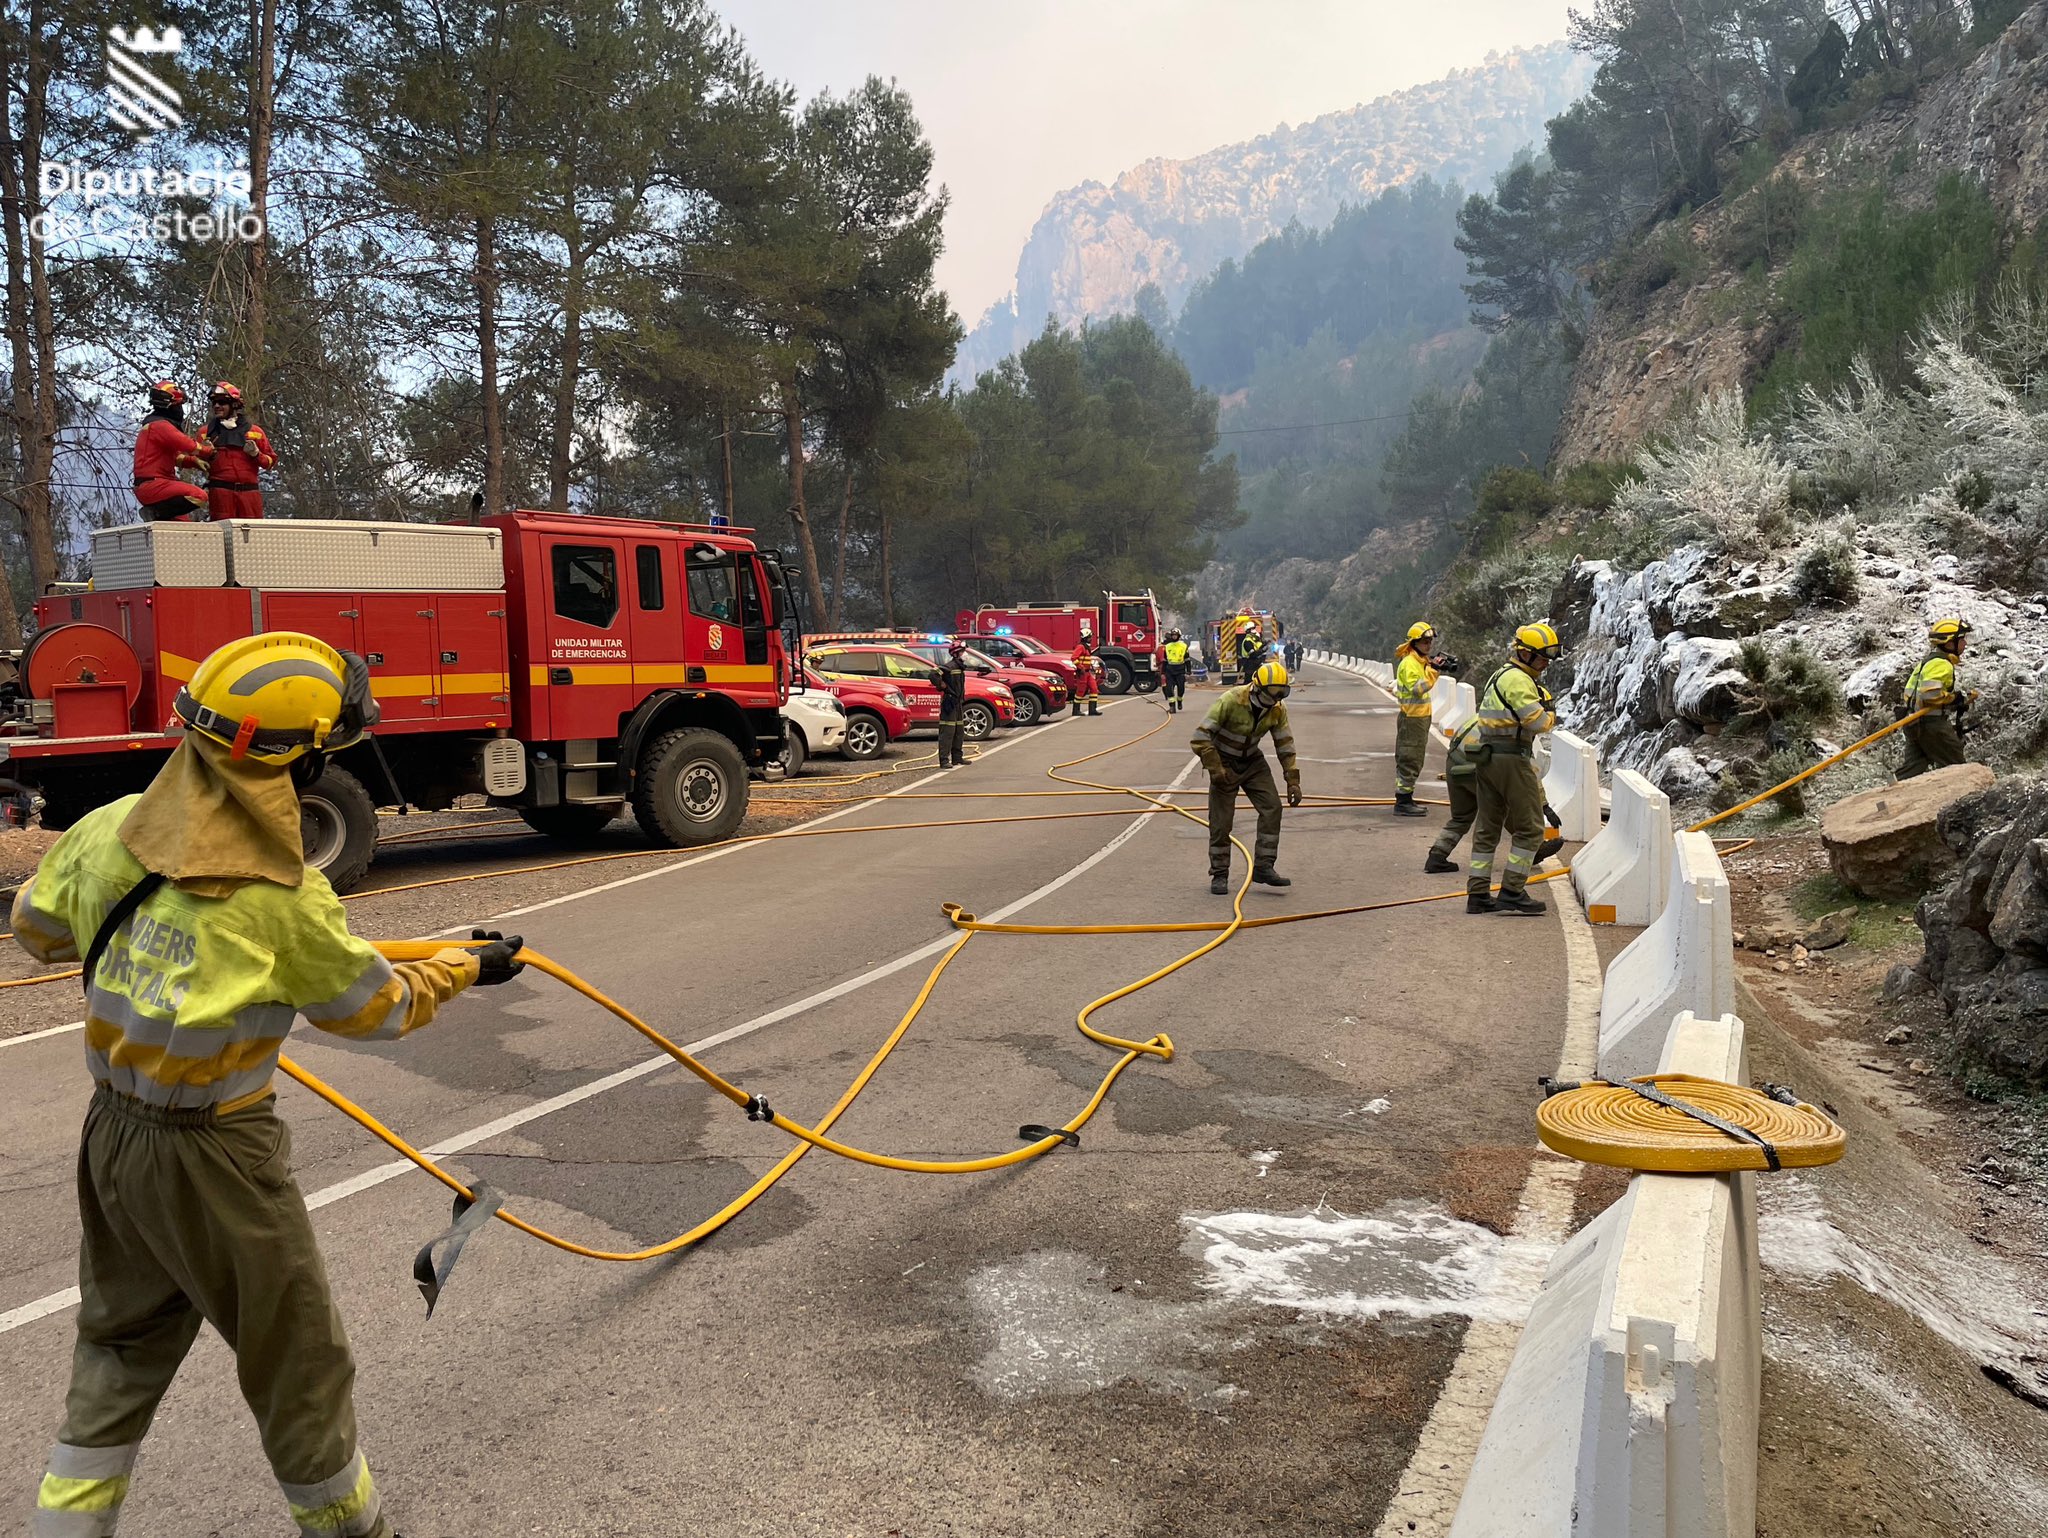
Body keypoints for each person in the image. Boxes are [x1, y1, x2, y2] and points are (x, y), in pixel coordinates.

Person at [14, 631, 526, 1538]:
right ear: (303, 759)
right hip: (217, 1155)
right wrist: (461, 966)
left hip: (113, 1137)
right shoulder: (284, 896)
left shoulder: (109, 830)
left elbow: (40, 931)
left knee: (120, 1346)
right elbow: (372, 1008)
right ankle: (348, 1527)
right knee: (298, 1361)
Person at [1467, 622, 1562, 916]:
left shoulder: (1499, 675)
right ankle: (1511, 891)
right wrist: (1550, 712)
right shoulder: (1520, 681)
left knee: (1487, 827)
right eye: (1542, 657)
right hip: (1511, 758)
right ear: (1525, 653)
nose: (1546, 663)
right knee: (1531, 829)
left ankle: (1478, 894)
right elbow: (1537, 722)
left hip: (1487, 757)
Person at [1192, 660, 1301, 895]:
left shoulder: (1277, 708)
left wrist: (1292, 780)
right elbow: (1200, 737)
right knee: (1221, 821)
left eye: (1282, 693)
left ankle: (1264, 866)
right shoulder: (1231, 700)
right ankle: (1219, 873)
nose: (1276, 699)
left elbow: (1284, 744)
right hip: (1224, 762)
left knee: (1272, 807)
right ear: (1257, 688)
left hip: (1252, 761)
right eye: (1273, 693)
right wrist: (1215, 768)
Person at [1898, 617, 1976, 779]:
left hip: (1913, 722)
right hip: (1931, 725)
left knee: (1912, 769)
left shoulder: (1929, 662)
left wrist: (1959, 699)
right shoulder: (1942, 664)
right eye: (1962, 639)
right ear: (1950, 644)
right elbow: (1930, 694)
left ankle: (1888, 794)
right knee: (1956, 767)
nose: (1965, 643)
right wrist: (1954, 699)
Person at [193, 381, 278, 519]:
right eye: (214, 402)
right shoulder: (205, 433)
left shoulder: (255, 432)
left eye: (221, 402)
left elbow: (270, 463)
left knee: (253, 531)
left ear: (234, 404)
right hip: (221, 495)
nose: (216, 406)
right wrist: (205, 453)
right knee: (224, 531)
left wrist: (256, 454)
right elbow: (193, 462)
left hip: (250, 494)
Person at [131, 381, 210, 521]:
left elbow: (175, 457)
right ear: (173, 406)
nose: (181, 410)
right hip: (154, 484)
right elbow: (188, 445)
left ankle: (160, 515)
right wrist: (209, 451)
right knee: (199, 496)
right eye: (180, 405)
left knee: (182, 523)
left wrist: (194, 462)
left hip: (154, 485)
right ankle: (155, 513)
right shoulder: (160, 426)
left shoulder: (153, 426)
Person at [1391, 621, 1440, 817]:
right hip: (1411, 718)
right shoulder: (1409, 663)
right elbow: (1418, 689)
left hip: (1420, 718)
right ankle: (1403, 801)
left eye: (1430, 642)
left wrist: (1432, 666)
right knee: (1409, 758)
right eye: (1425, 642)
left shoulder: (1420, 661)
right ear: (1414, 643)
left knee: (1416, 758)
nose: (1428, 645)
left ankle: (1407, 797)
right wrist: (1434, 671)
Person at [1425, 711, 1482, 874]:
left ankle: (1437, 856)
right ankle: (1533, 850)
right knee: (1503, 810)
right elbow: (1525, 767)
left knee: (1461, 817)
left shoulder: (1485, 713)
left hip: (1454, 764)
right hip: (1474, 769)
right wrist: (1543, 804)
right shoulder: (1515, 722)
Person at [934, 637, 971, 767]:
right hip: (949, 703)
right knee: (948, 732)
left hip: (957, 703)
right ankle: (944, 760)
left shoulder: (960, 667)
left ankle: (957, 758)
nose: (965, 654)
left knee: (959, 731)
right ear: (955, 654)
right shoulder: (949, 666)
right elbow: (933, 674)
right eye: (962, 651)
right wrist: (942, 685)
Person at [1071, 629, 1102, 716]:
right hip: (1082, 673)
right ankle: (1076, 710)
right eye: (1089, 637)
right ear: (1085, 638)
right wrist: (1081, 667)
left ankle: (1092, 710)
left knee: (1094, 689)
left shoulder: (1086, 647)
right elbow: (1073, 658)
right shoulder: (1081, 647)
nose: (1091, 638)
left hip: (1088, 673)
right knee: (1080, 691)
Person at [1162, 629, 1190, 712]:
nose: (1174, 637)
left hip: (1180, 670)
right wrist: (1163, 672)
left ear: (1179, 636)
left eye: (1176, 635)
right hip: (1170, 670)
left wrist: (1188, 670)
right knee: (1169, 689)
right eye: (1173, 635)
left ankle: (1179, 701)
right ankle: (1172, 706)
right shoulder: (1167, 646)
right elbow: (1165, 660)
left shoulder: (1183, 646)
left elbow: (1187, 659)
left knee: (1181, 689)